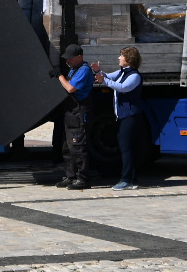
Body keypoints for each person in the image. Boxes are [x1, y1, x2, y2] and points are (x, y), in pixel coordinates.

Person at [100, 46, 143, 191]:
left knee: (126, 147)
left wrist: (104, 81)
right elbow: (108, 76)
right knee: (128, 147)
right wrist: (98, 71)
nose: (119, 58)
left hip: (131, 115)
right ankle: (133, 179)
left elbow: (123, 87)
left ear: (129, 59)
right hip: (123, 115)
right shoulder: (122, 72)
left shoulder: (134, 76)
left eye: (122, 56)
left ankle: (126, 179)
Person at [55, 43, 95, 189]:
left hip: (79, 112)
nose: (67, 61)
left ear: (79, 57)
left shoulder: (84, 70)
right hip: (71, 112)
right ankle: (71, 176)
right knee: (67, 147)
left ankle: (83, 179)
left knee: (78, 147)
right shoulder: (74, 69)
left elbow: (70, 88)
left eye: (70, 58)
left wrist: (59, 76)